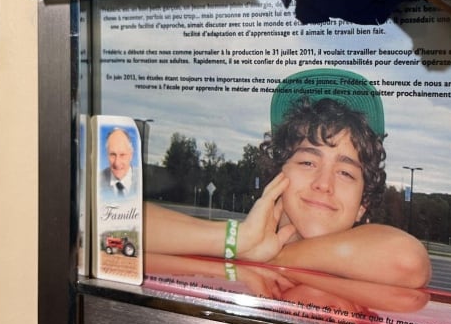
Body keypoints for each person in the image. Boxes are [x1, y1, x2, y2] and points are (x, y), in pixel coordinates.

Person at [144, 68, 431, 289]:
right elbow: (116, 225)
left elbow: (408, 261)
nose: (323, 183)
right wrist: (239, 241)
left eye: (345, 172)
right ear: (278, 175)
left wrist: (273, 256)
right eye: (307, 161)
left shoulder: (373, 256)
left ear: (362, 203)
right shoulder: (240, 242)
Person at [101, 127, 139, 198]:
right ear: (107, 154)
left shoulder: (142, 180)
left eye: (122, 155)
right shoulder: (97, 181)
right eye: (112, 154)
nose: (117, 163)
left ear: (131, 155)